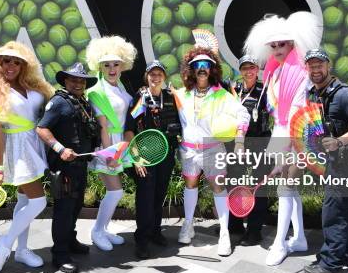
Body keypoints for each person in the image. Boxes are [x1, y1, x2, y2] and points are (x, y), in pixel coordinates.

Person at [243, 12, 321, 266]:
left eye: (282, 44)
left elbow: (304, 111)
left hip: (300, 135)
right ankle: (298, 239)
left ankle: (279, 243)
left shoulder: (302, 72)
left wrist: (290, 145)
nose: (277, 49)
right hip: (281, 133)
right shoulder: (274, 74)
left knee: (284, 188)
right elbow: (278, 115)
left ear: (293, 44)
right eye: (273, 45)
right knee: (289, 189)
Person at [0, 41, 55, 273]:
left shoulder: (33, 85)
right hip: (17, 148)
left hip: (35, 143)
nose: (11, 65)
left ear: (24, 65)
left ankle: (22, 251)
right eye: (6, 61)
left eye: (16, 61)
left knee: (24, 201)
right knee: (38, 201)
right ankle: (6, 240)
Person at [303, 48, 348, 273]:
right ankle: (344, 256)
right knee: (342, 210)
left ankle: (331, 265)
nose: (315, 70)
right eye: (311, 66)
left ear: (328, 66)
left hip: (347, 161)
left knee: (333, 211)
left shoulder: (343, 94)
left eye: (319, 65)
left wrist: (340, 142)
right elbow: (316, 128)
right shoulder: (313, 94)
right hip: (331, 162)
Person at [175, 45, 250, 256]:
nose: (201, 69)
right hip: (189, 150)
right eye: (197, 65)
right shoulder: (182, 95)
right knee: (190, 185)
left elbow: (243, 114)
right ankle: (187, 225)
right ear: (190, 69)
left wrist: (239, 141)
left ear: (212, 69)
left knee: (218, 188)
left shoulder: (221, 94)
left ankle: (224, 234)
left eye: (205, 65)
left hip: (212, 150)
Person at [36, 63, 100, 273]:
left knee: (75, 205)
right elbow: (42, 128)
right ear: (65, 81)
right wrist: (59, 148)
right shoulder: (58, 103)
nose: (78, 83)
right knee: (64, 210)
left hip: (80, 165)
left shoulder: (83, 103)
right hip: (64, 167)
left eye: (81, 80)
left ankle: (70, 241)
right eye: (74, 79)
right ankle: (60, 255)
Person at [124, 60, 181, 259]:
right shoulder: (140, 98)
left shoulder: (171, 97)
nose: (155, 77)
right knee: (145, 199)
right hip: (146, 157)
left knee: (159, 196)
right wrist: (136, 159)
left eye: (159, 74)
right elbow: (129, 130)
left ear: (164, 77)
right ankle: (142, 240)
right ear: (146, 76)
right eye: (152, 74)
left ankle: (156, 232)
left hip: (166, 156)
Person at [85, 35, 137, 251]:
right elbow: (103, 127)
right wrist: (111, 155)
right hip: (108, 147)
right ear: (100, 66)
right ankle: (96, 231)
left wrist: (125, 146)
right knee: (115, 191)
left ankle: (103, 229)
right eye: (107, 65)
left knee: (116, 191)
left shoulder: (120, 87)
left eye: (116, 64)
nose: (112, 68)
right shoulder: (97, 91)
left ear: (123, 65)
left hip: (121, 144)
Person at [227, 55, 272, 246]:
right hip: (237, 144)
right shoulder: (233, 90)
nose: (248, 71)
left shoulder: (266, 91)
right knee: (234, 183)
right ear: (240, 70)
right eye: (245, 68)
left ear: (257, 69)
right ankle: (235, 224)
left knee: (257, 187)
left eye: (252, 68)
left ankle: (254, 232)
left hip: (260, 143)